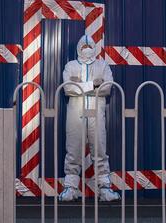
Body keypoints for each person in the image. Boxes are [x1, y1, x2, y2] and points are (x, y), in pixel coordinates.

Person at [59, 35, 120, 202]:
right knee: (73, 149)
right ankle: (71, 188)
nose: (86, 48)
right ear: (79, 47)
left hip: (96, 112)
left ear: (94, 47)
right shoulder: (70, 66)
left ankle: (104, 188)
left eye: (89, 45)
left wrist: (80, 85)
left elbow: (107, 87)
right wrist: (93, 85)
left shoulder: (103, 65)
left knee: (99, 149)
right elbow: (68, 88)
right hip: (76, 112)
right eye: (84, 45)